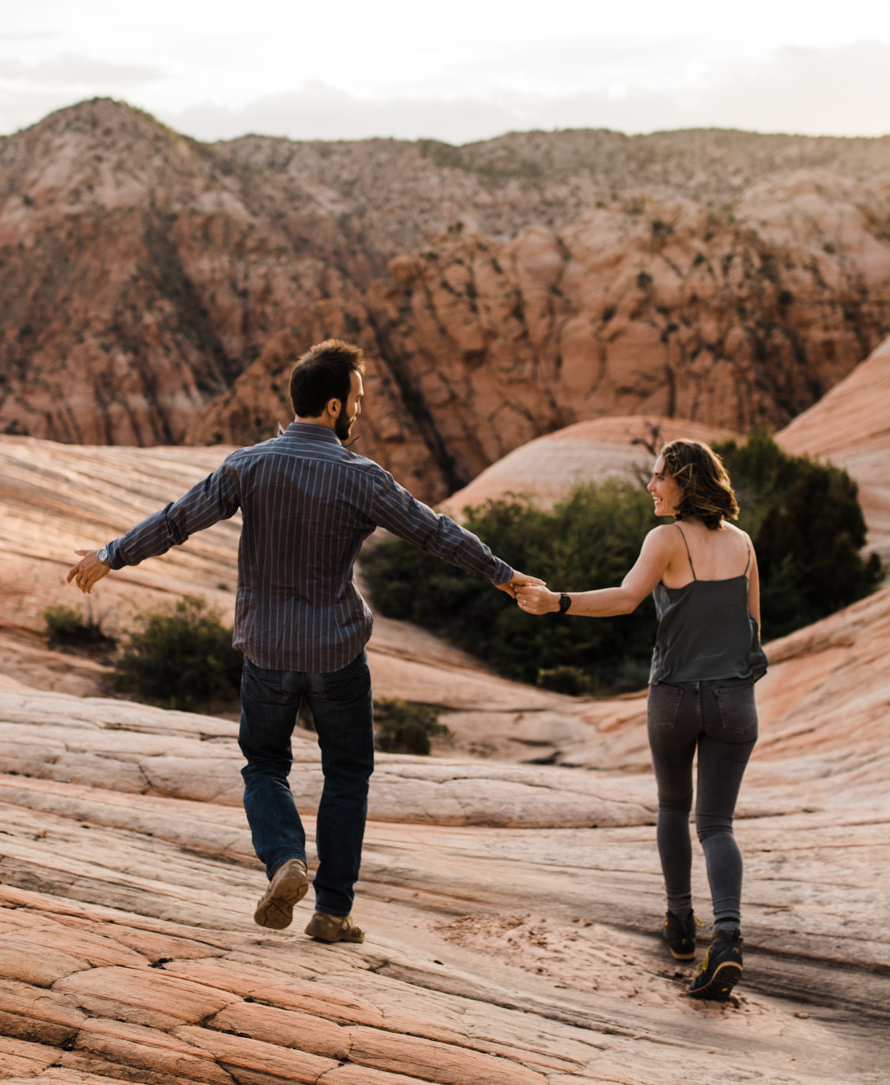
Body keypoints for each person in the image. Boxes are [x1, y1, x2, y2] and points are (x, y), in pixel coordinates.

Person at [67, 339, 538, 943]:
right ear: (336, 405)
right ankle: (332, 911)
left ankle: (285, 858)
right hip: (337, 651)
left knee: (264, 763)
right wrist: (502, 573)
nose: (361, 412)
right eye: (359, 400)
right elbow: (435, 533)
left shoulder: (249, 464)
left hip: (266, 649)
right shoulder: (362, 477)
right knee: (347, 772)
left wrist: (110, 555)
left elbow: (177, 520)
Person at [517, 438, 765, 999]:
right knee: (718, 824)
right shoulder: (745, 545)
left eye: (658, 477)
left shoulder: (666, 538)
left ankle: (680, 925)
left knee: (674, 808)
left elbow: (627, 599)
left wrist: (557, 601)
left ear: (684, 482)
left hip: (674, 697)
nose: (651, 487)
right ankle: (727, 939)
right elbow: (753, 628)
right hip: (734, 699)